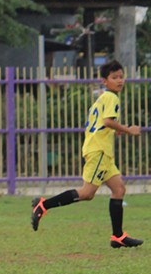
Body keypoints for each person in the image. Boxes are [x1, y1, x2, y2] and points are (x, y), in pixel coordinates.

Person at [31, 60, 142, 247]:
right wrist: (128, 129)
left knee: (119, 189)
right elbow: (107, 121)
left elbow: (101, 124)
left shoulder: (102, 98)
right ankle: (42, 205)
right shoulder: (111, 98)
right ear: (104, 81)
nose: (120, 81)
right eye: (115, 78)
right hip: (98, 151)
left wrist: (117, 130)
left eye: (121, 77)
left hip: (102, 152)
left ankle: (118, 237)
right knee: (87, 193)